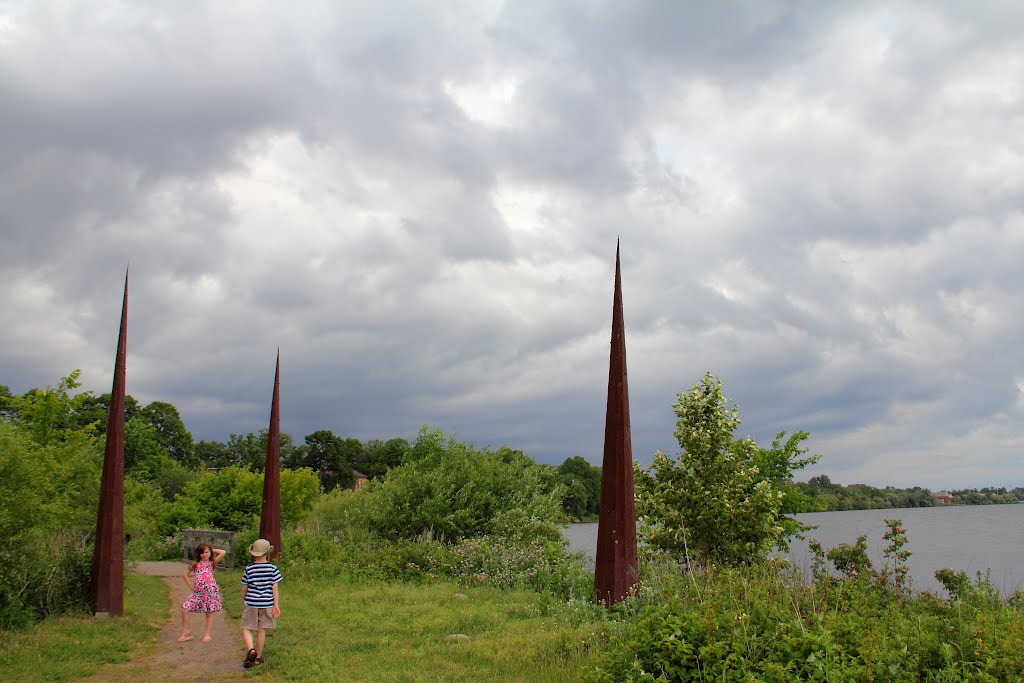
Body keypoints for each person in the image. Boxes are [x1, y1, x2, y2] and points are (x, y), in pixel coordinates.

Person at [240, 538, 282, 668]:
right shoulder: (272, 568)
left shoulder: (249, 568)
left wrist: (243, 601)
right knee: (261, 629)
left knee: (246, 627)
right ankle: (257, 657)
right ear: (267, 553)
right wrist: (276, 605)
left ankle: (251, 650)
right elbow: (275, 588)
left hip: (251, 603)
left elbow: (244, 588)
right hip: (267, 603)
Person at [178, 542, 226, 643]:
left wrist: (211, 550)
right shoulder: (195, 564)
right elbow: (185, 574)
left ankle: (207, 634)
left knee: (208, 612)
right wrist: (191, 587)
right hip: (198, 593)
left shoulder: (212, 562)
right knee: (184, 609)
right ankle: (186, 630)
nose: (204, 555)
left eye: (206, 552)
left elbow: (223, 552)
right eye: (202, 553)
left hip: (210, 592)